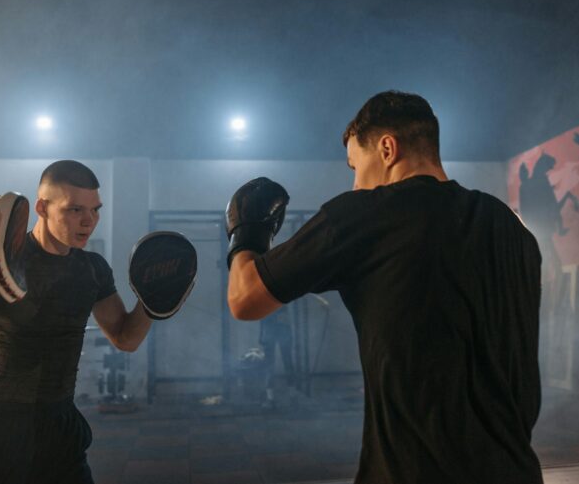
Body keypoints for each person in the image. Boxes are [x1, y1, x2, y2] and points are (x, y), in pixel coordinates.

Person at [226, 91, 543, 484]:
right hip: (517, 471)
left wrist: (246, 236)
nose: (356, 184)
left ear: (387, 149)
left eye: (355, 166)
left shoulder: (366, 214)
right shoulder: (512, 229)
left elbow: (244, 298)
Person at [0, 160, 167, 484]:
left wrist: (152, 301)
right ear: (42, 207)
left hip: (60, 425)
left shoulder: (92, 269)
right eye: (74, 210)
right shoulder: (6, 260)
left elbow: (126, 338)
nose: (89, 221)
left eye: (95, 210)